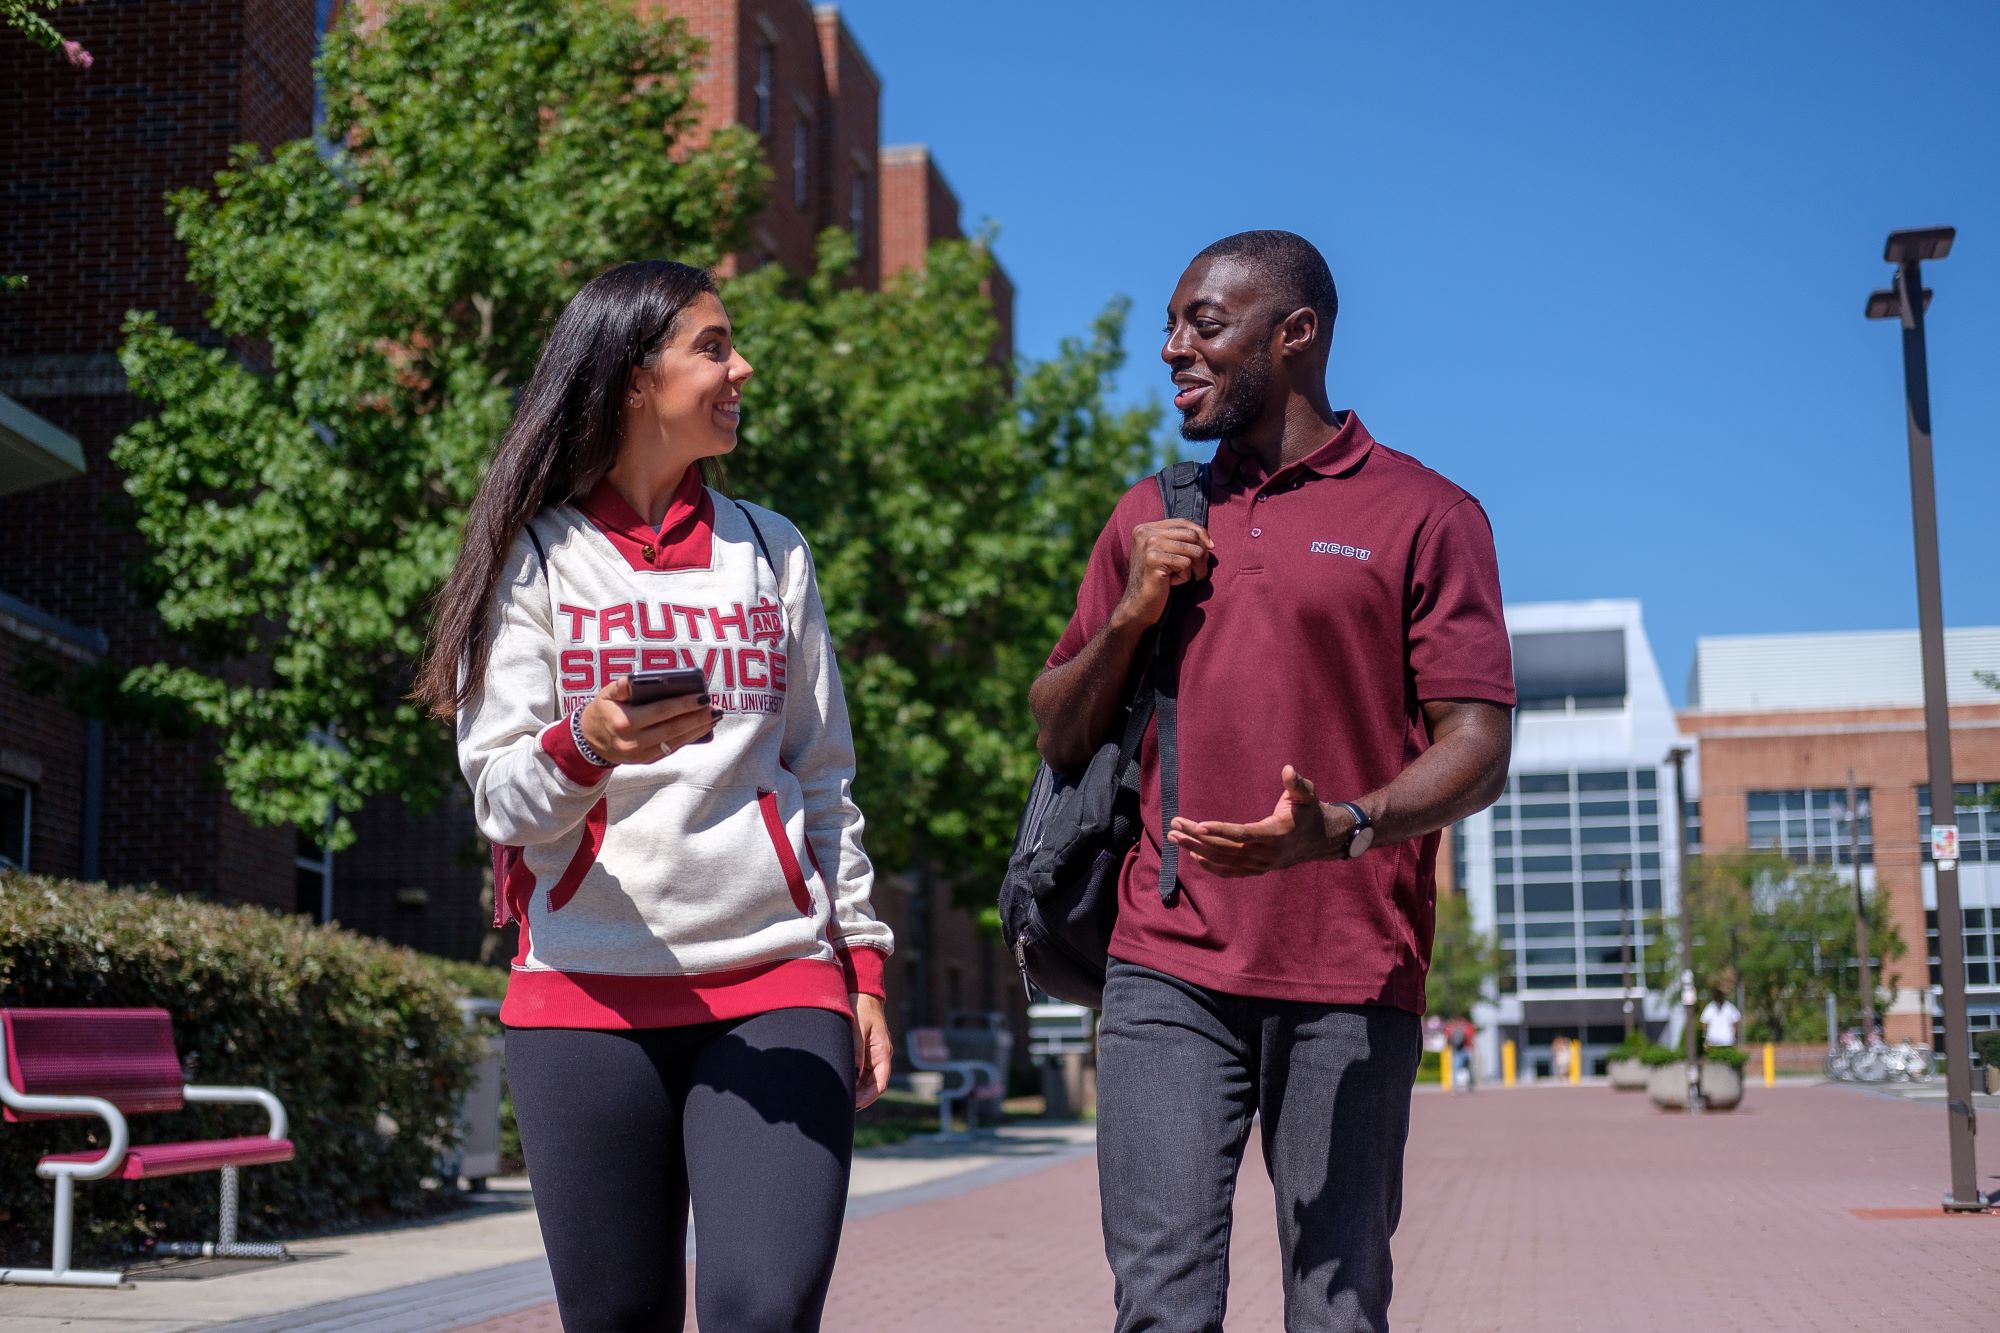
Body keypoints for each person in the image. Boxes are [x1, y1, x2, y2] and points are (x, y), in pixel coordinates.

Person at [1031, 231, 1515, 1333]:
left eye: (1202, 324)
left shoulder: (1426, 514)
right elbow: (1058, 732)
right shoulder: (1150, 514)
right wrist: (1128, 611)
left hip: (1348, 965)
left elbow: (1476, 742)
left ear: (1292, 334)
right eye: (1170, 326)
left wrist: (1345, 825)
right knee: (1159, 1306)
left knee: (1335, 1306)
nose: (1170, 350)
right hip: (1166, 964)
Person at [413, 260, 893, 1333]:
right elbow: (502, 800)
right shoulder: (531, 561)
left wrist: (859, 961)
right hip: (584, 996)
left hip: (776, 980)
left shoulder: (771, 551)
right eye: (713, 346)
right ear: (634, 377)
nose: (742, 367)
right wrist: (586, 742)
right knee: (617, 1317)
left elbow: (822, 775)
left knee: (762, 1311)